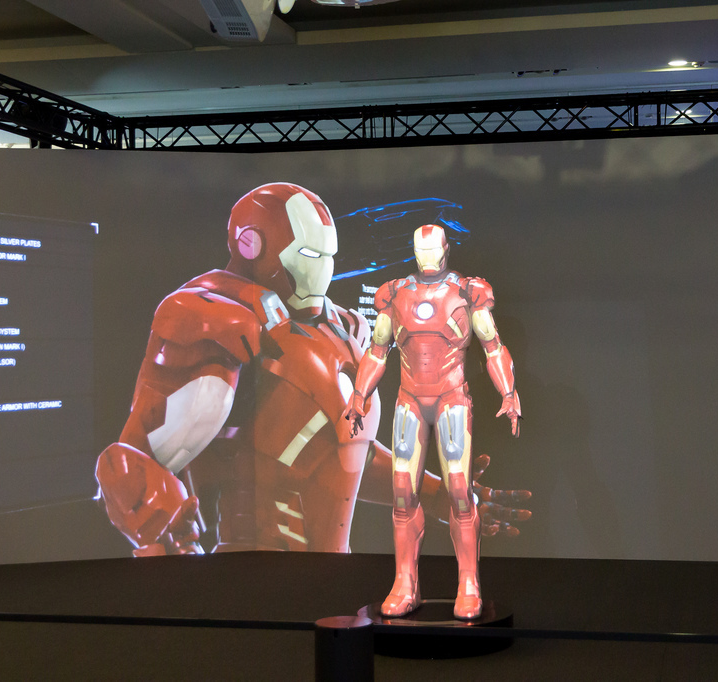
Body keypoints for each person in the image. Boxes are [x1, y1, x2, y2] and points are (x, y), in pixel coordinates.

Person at [95, 184, 529, 556]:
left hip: (329, 580)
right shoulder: (216, 317)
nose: (320, 267)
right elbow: (130, 466)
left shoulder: (338, 328)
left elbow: (338, 456)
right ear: (250, 244)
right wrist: (165, 541)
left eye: (327, 255)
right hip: (252, 580)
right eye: (307, 253)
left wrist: (437, 495)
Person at [344, 223, 521, 620]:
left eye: (432, 249)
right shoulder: (395, 293)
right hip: (410, 399)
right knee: (402, 492)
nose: (426, 257)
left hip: (451, 398)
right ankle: (405, 583)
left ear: (445, 249)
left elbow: (493, 346)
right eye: (420, 249)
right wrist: (359, 395)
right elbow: (377, 350)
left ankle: (469, 583)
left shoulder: (467, 292)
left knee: (459, 489)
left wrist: (508, 392)